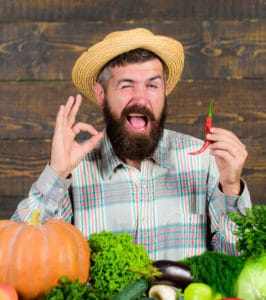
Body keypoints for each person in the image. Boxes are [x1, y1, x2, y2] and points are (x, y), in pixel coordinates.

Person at [12, 28, 252, 260]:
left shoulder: (204, 161)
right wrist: (56, 172)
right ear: (100, 94)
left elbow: (236, 261)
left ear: (165, 91)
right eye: (126, 85)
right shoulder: (74, 170)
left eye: (152, 85)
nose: (141, 98)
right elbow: (17, 255)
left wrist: (230, 188)